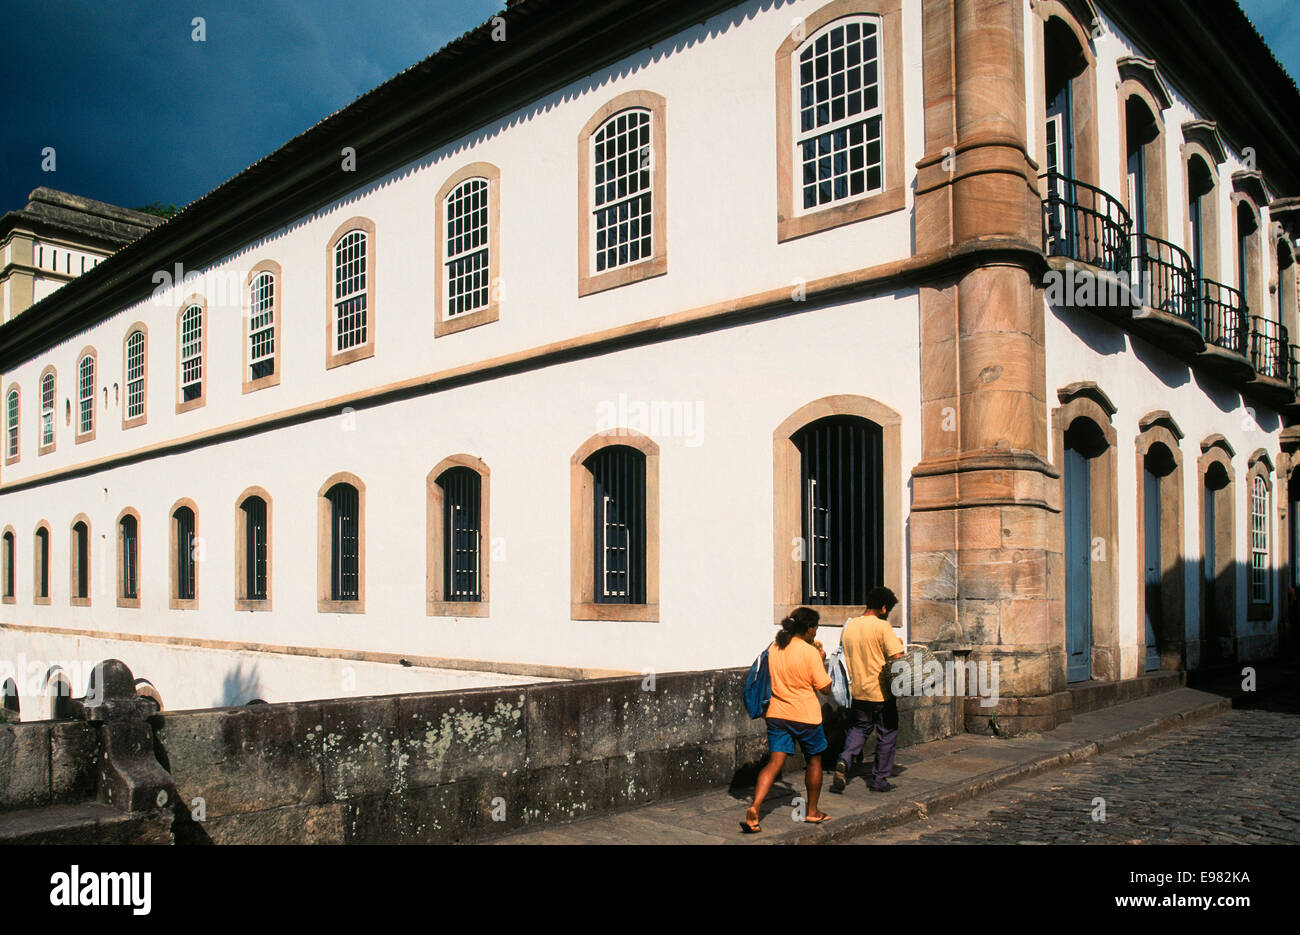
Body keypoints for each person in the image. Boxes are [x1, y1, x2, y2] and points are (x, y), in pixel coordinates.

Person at [742, 607, 833, 833]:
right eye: (815, 629)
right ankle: (812, 812)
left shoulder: (775, 647)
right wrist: (822, 661)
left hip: (777, 715)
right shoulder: (810, 652)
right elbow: (825, 688)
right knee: (814, 761)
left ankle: (755, 808)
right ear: (809, 628)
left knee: (774, 763)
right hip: (806, 716)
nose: (816, 633)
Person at [832, 586, 905, 793]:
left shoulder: (850, 626)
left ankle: (845, 758)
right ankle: (880, 780)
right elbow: (897, 658)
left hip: (858, 690)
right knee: (887, 732)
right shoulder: (882, 627)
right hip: (881, 691)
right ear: (883, 608)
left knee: (859, 727)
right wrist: (899, 646)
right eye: (887, 610)